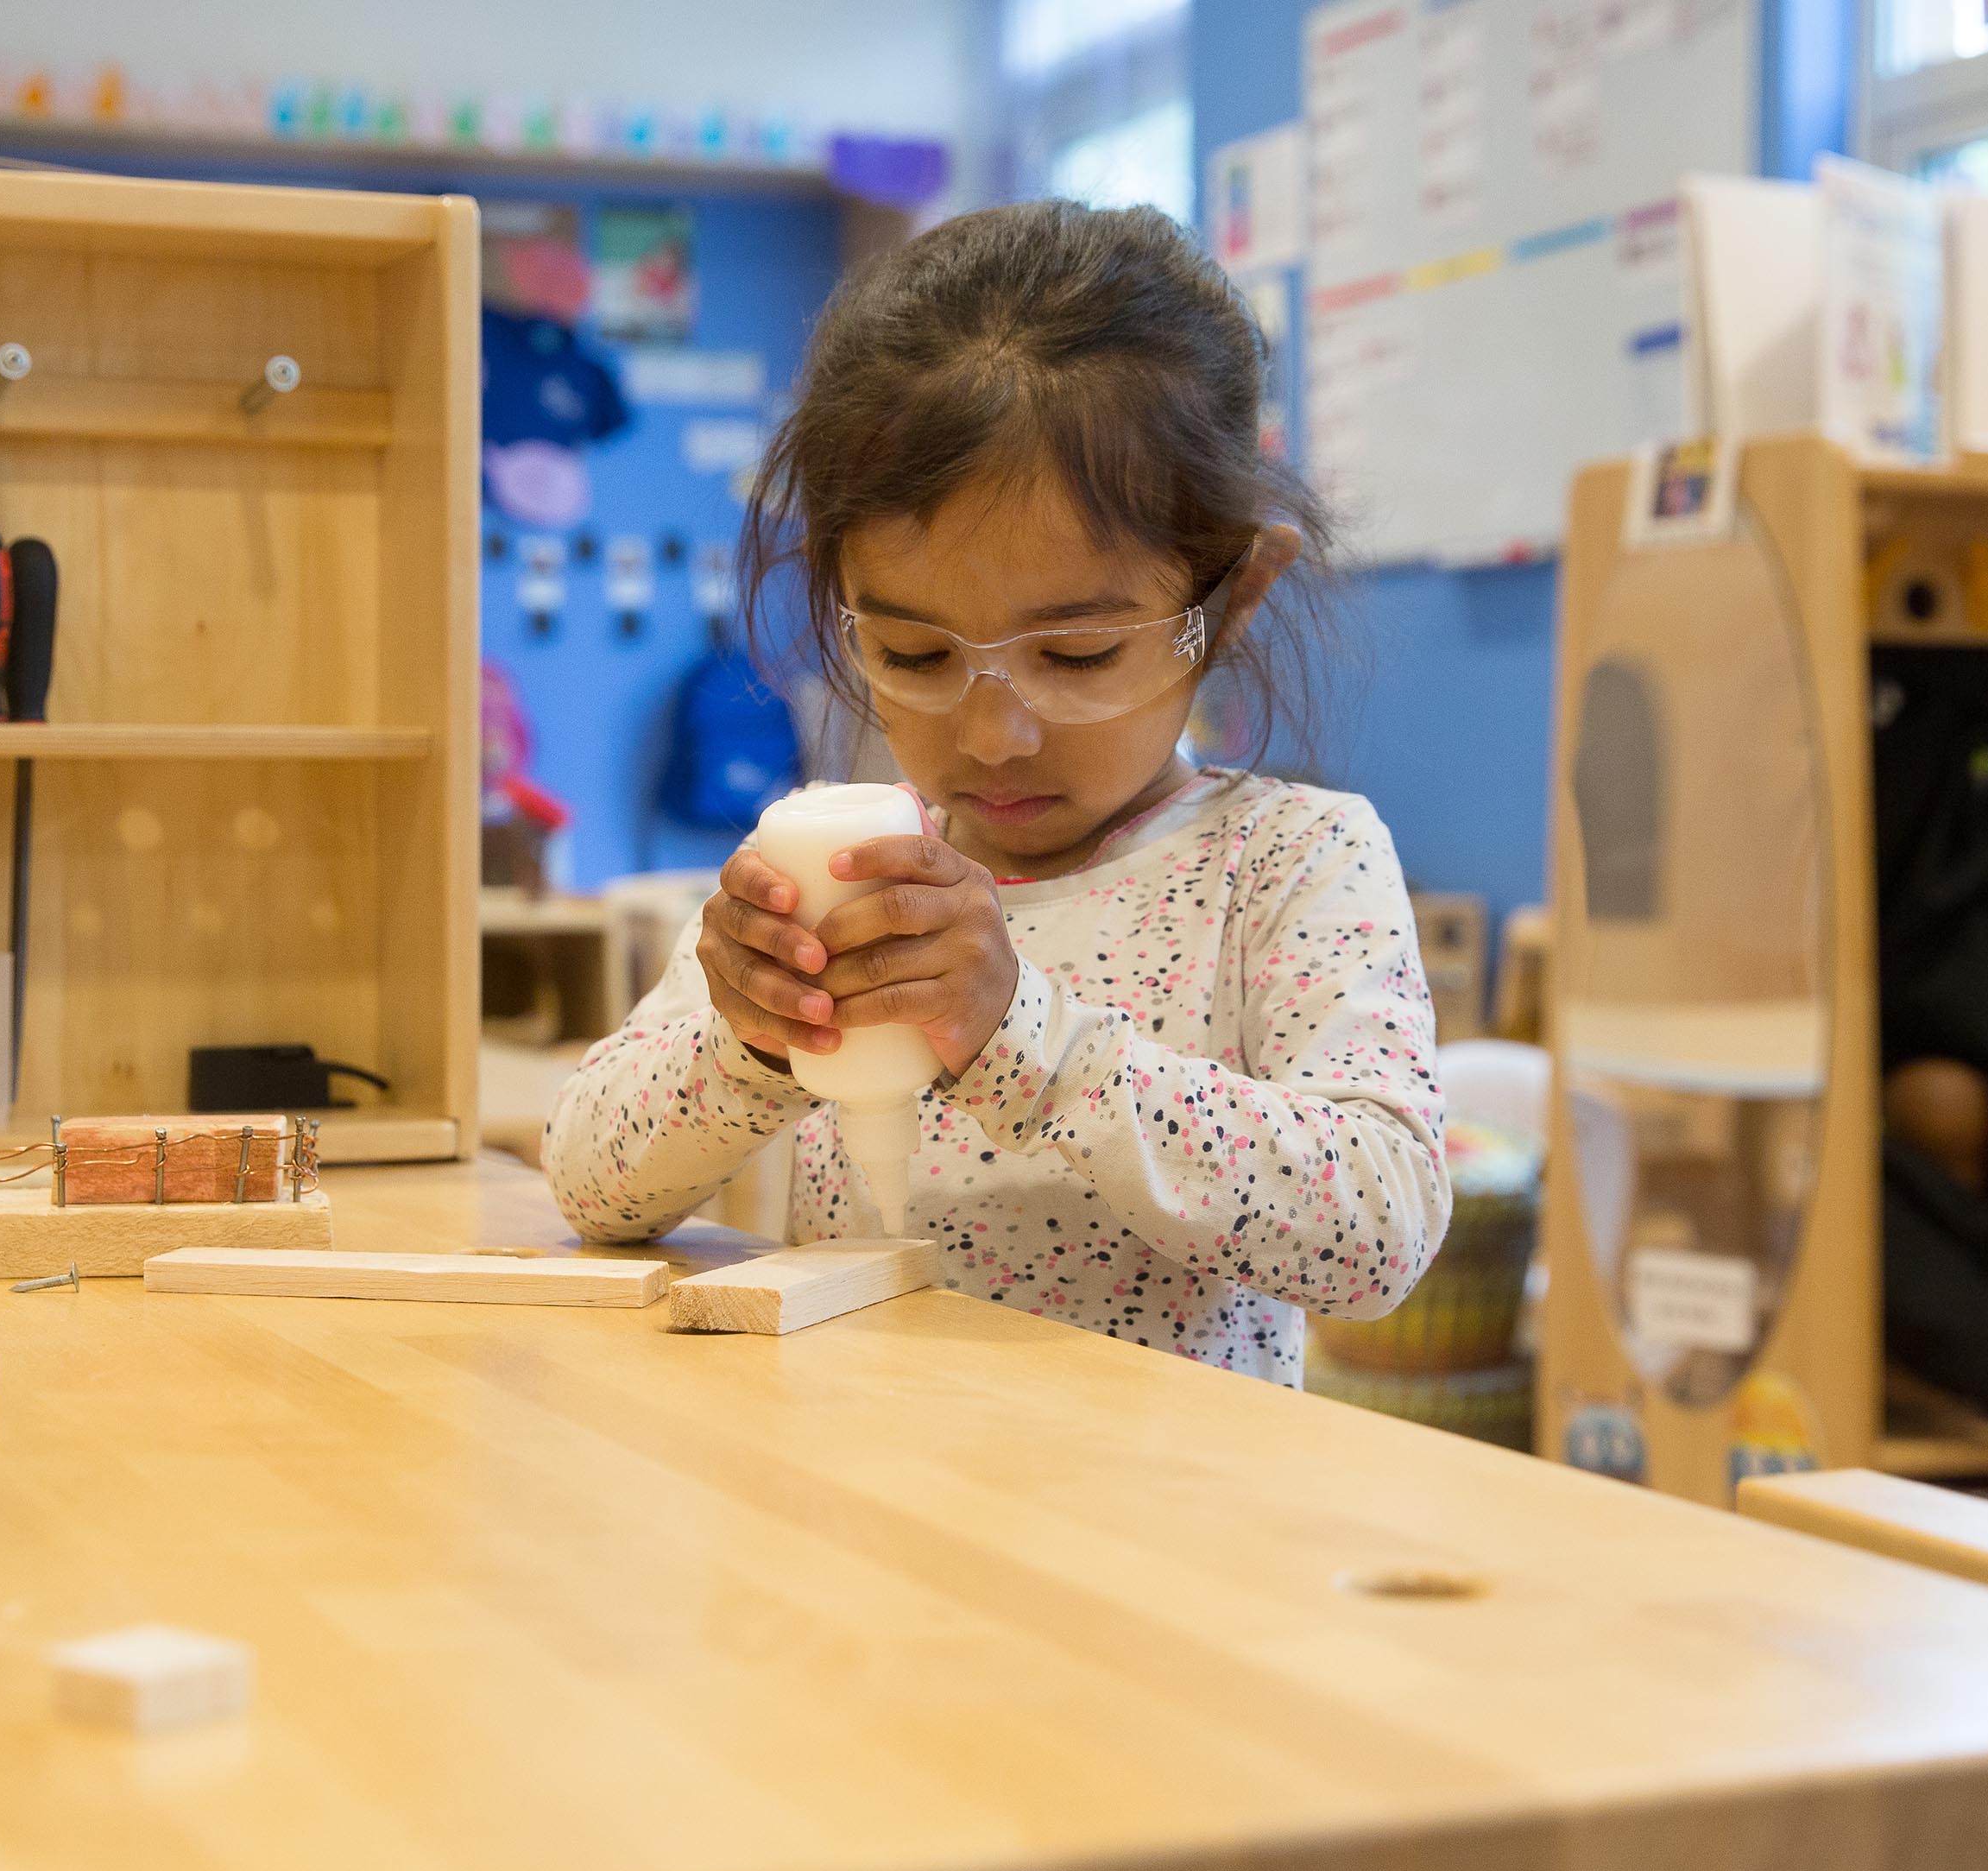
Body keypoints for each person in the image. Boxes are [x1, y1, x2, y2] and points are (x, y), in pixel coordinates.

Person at [546, 201, 1450, 1385]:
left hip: (1163, 1541)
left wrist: (1026, 1035)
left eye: (1076, 656)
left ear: (1232, 598)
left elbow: (1377, 1228)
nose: (993, 732)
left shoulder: (1286, 860)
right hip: (869, 1515)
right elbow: (587, 1180)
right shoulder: (850, 869)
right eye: (915, 656)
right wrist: (750, 1039)